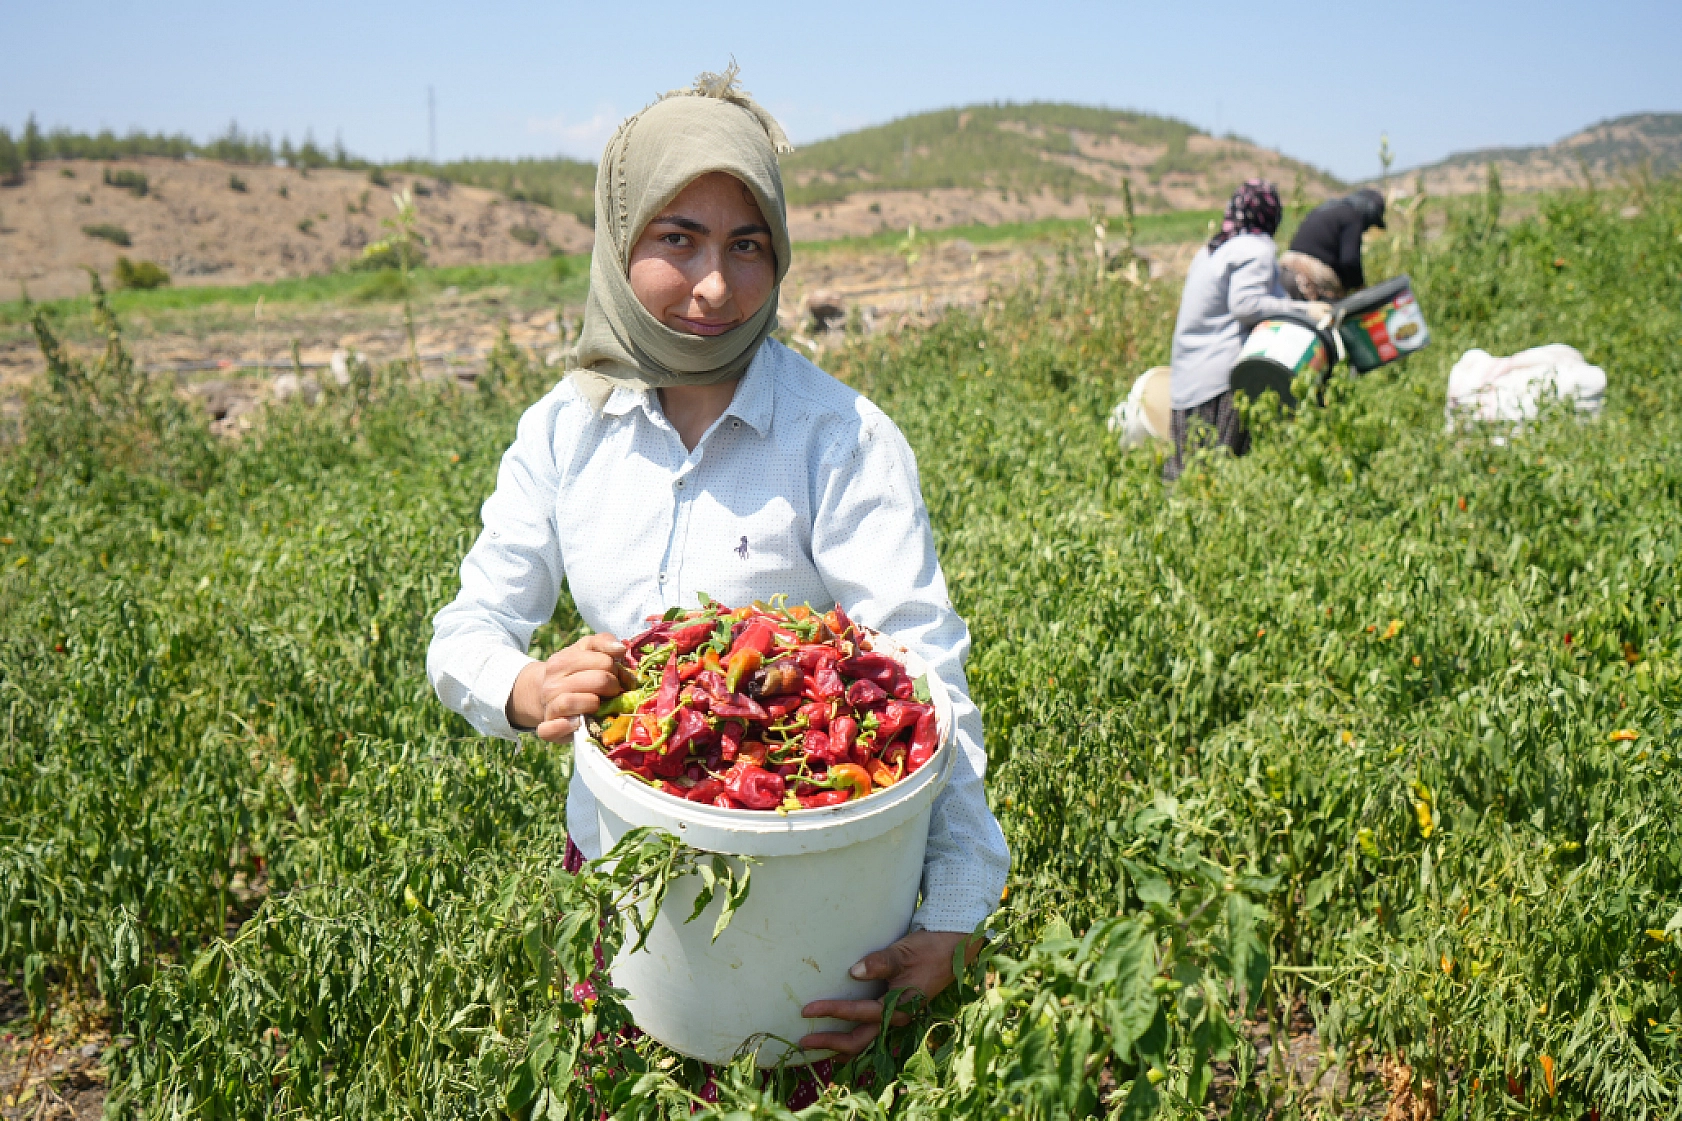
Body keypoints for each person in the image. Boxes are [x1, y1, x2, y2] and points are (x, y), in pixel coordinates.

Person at [426, 69, 1009, 1060]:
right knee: (624, 1065)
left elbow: (925, 683)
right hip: (622, 872)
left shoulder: (839, 438)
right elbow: (464, 630)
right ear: (617, 241)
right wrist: (523, 686)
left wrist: (953, 910)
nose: (713, 285)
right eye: (676, 239)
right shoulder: (567, 431)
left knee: (788, 1070)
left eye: (748, 246)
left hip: (812, 889)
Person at [1164, 179, 1331, 482]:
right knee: (1221, 475)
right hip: (1221, 380)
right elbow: (1246, 305)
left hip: (1186, 379)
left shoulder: (1212, 249)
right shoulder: (1256, 249)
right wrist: (1305, 310)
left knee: (1186, 474)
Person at [1281, 187, 1387, 301]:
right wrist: (1361, 289)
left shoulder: (1326, 208)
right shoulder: (1353, 216)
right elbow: (1350, 261)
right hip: (1311, 277)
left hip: (1284, 269)